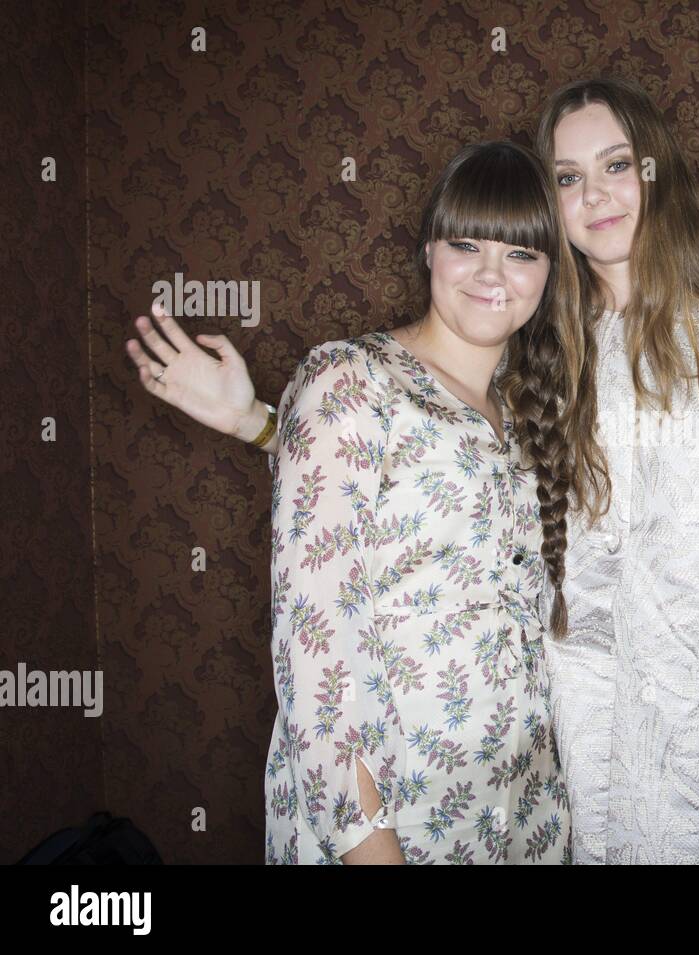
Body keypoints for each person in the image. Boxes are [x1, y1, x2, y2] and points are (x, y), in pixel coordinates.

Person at [128, 76, 699, 865]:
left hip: (640, 782)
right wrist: (265, 422)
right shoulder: (516, 364)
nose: (594, 194)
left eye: (617, 165)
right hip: (507, 788)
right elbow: (366, 567)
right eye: (567, 177)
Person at [131, 141, 589, 863]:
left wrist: (261, 425)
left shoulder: (531, 405)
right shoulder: (349, 379)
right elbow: (319, 648)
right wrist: (369, 847)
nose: (491, 274)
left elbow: (419, 503)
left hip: (520, 815)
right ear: (429, 251)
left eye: (521, 253)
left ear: (548, 274)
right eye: (466, 243)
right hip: (391, 823)